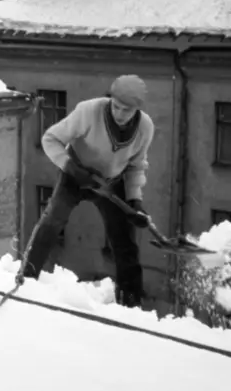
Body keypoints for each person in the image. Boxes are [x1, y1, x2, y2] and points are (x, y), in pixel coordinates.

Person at [17, 75, 155, 308]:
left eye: (126, 111)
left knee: (124, 241)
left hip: (112, 181)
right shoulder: (89, 112)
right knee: (52, 221)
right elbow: (50, 139)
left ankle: (131, 303)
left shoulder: (145, 128)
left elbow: (136, 165)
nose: (119, 114)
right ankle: (27, 278)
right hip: (76, 174)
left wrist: (135, 201)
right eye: (116, 106)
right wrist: (70, 167)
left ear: (137, 110)